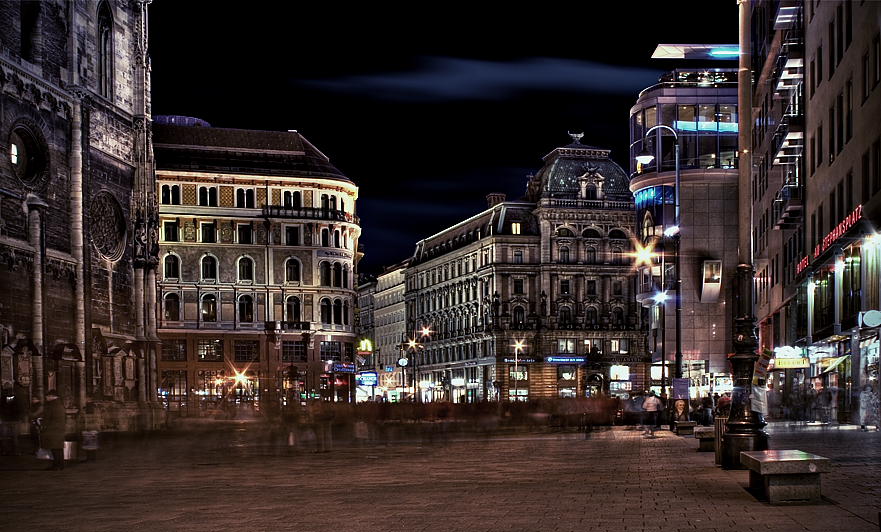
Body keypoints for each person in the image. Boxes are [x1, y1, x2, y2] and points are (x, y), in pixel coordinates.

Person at [41, 390, 67, 471]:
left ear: (52, 396)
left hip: (52, 429)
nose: (46, 398)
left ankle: (56, 465)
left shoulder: (51, 405)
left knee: (54, 448)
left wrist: (43, 426)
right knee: (58, 448)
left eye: (48, 396)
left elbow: (47, 418)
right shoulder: (60, 404)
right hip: (59, 428)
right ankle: (60, 465)